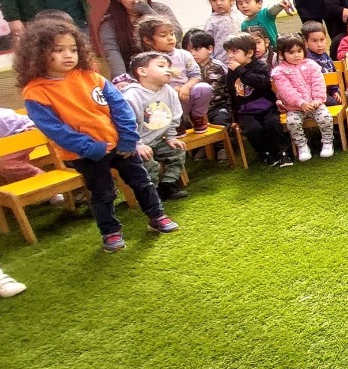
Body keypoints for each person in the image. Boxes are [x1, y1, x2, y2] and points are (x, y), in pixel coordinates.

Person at [18, 17, 178, 251]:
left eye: (73, 49)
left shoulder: (90, 76)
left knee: (142, 182)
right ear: (38, 53)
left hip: (120, 145)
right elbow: (54, 129)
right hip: (87, 154)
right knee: (103, 193)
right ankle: (111, 232)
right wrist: (89, 147)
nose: (68, 55)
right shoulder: (35, 91)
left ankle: (157, 217)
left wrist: (127, 138)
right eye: (58, 50)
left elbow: (120, 107)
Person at [122, 51, 188, 199]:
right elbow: (126, 125)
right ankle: (153, 191)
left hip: (159, 140)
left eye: (169, 66)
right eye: (161, 66)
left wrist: (171, 137)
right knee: (148, 163)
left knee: (178, 151)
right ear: (142, 71)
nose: (168, 69)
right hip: (137, 143)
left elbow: (174, 116)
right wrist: (137, 145)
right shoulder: (131, 96)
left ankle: (168, 183)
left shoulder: (169, 91)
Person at [97, 0, 179, 82]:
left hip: (170, 66)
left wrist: (148, 12)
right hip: (134, 73)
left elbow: (177, 34)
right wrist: (122, 80)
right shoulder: (109, 23)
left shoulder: (161, 9)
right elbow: (113, 53)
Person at [224, 33, 289, 167]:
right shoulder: (231, 72)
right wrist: (234, 118)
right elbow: (231, 95)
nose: (230, 55)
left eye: (234, 51)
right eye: (228, 52)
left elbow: (262, 83)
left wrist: (240, 70)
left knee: (272, 124)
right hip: (245, 112)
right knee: (253, 129)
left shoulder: (260, 66)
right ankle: (265, 152)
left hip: (266, 107)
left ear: (249, 53)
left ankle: (283, 151)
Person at [137, 14, 211, 131]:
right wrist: (170, 90)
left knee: (204, 88)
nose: (170, 38)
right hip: (164, 102)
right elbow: (147, 84)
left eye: (171, 34)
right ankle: (176, 123)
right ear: (148, 40)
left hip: (185, 96)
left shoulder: (184, 55)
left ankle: (197, 117)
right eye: (163, 35)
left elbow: (196, 75)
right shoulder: (146, 60)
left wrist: (186, 87)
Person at [271, 34, 336, 162]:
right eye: (291, 52)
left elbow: (318, 83)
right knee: (292, 122)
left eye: (299, 51)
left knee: (325, 117)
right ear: (281, 54)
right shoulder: (279, 71)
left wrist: (317, 99)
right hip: (295, 107)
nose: (296, 55)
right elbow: (286, 91)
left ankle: (328, 142)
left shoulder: (312, 65)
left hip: (315, 104)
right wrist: (301, 103)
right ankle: (302, 146)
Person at [182, 29, 231, 129]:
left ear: (210, 49)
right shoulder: (184, 69)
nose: (192, 54)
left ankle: (225, 144)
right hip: (194, 111)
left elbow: (229, 89)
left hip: (216, 107)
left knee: (221, 121)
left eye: (196, 49)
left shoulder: (219, 67)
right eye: (188, 51)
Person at [203, 0, 244, 65]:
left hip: (242, 58)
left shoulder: (238, 15)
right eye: (214, 0)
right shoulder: (212, 22)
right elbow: (207, 44)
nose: (218, 3)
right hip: (223, 62)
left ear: (231, 0)